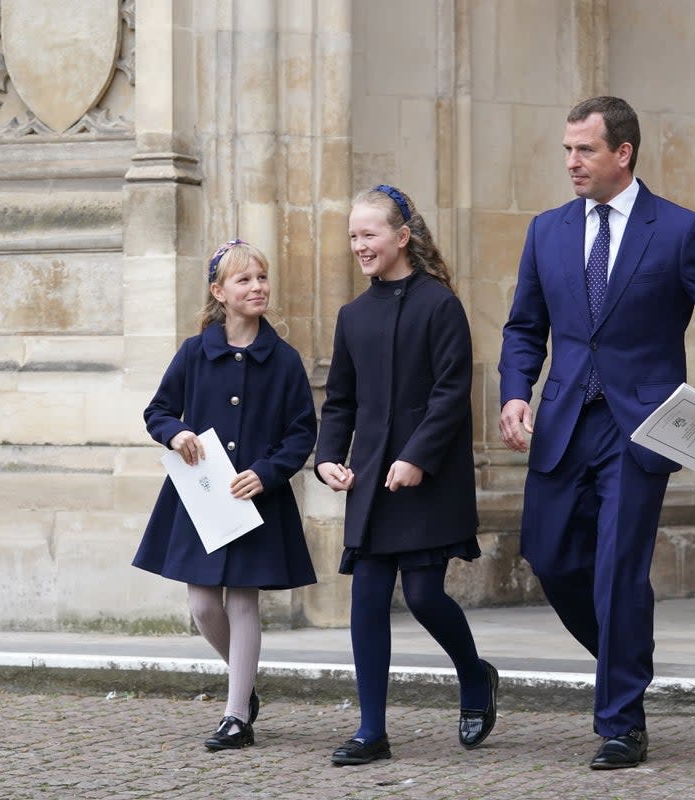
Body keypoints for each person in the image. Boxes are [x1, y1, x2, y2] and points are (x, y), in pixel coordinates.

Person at [497, 96, 695, 770]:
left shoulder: (677, 230)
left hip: (639, 430)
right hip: (562, 422)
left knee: (618, 568)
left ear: (623, 153)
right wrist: (514, 395)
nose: (571, 162)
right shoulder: (545, 231)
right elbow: (524, 328)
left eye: (584, 149)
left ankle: (620, 719)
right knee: (548, 555)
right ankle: (628, 653)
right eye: (566, 150)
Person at [315, 185, 498, 766]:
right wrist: (326, 458)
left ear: (401, 237)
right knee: (367, 597)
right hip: (371, 479)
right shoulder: (352, 315)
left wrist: (418, 455)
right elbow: (340, 400)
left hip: (429, 476)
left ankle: (475, 675)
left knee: (422, 594)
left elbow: (452, 392)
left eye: (369, 234)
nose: (359, 245)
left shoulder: (440, 305)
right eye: (352, 236)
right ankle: (372, 730)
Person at [133, 239, 318, 751]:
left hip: (255, 499)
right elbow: (157, 410)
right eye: (244, 280)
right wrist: (175, 433)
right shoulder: (195, 353)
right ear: (219, 292)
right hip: (203, 499)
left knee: (242, 602)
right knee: (201, 604)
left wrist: (267, 471)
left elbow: (302, 432)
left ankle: (236, 715)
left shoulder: (283, 360)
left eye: (262, 277)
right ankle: (245, 684)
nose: (257, 286)